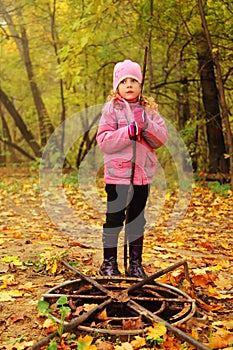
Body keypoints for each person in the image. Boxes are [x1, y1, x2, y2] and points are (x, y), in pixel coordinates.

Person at [96, 59, 168, 278]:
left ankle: (135, 265)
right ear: (117, 86)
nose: (129, 85)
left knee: (137, 219)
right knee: (115, 217)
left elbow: (160, 139)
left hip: (142, 176)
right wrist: (128, 131)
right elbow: (104, 141)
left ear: (140, 85)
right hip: (118, 176)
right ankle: (109, 264)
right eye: (124, 81)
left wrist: (145, 123)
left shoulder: (149, 110)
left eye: (134, 81)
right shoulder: (111, 109)